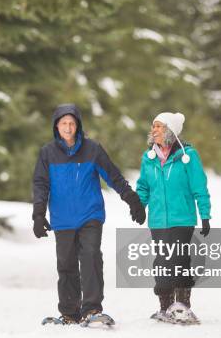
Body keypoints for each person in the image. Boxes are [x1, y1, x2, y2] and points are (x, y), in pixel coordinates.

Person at [32, 103, 145, 325]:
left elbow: (113, 177)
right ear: (56, 126)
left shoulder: (92, 149)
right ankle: (69, 313)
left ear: (78, 125)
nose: (67, 127)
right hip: (62, 219)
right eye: (63, 123)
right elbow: (41, 184)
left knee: (91, 256)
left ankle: (92, 309)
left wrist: (132, 200)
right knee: (66, 264)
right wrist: (38, 214)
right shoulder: (48, 153)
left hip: (89, 215)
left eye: (71, 123)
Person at [136, 112, 211, 324]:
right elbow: (143, 187)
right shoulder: (148, 158)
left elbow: (200, 187)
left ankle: (182, 307)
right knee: (161, 262)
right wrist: (140, 207)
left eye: (159, 126)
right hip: (158, 220)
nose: (154, 130)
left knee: (178, 260)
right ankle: (165, 307)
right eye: (153, 126)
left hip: (182, 219)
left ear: (170, 130)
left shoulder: (188, 156)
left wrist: (205, 215)